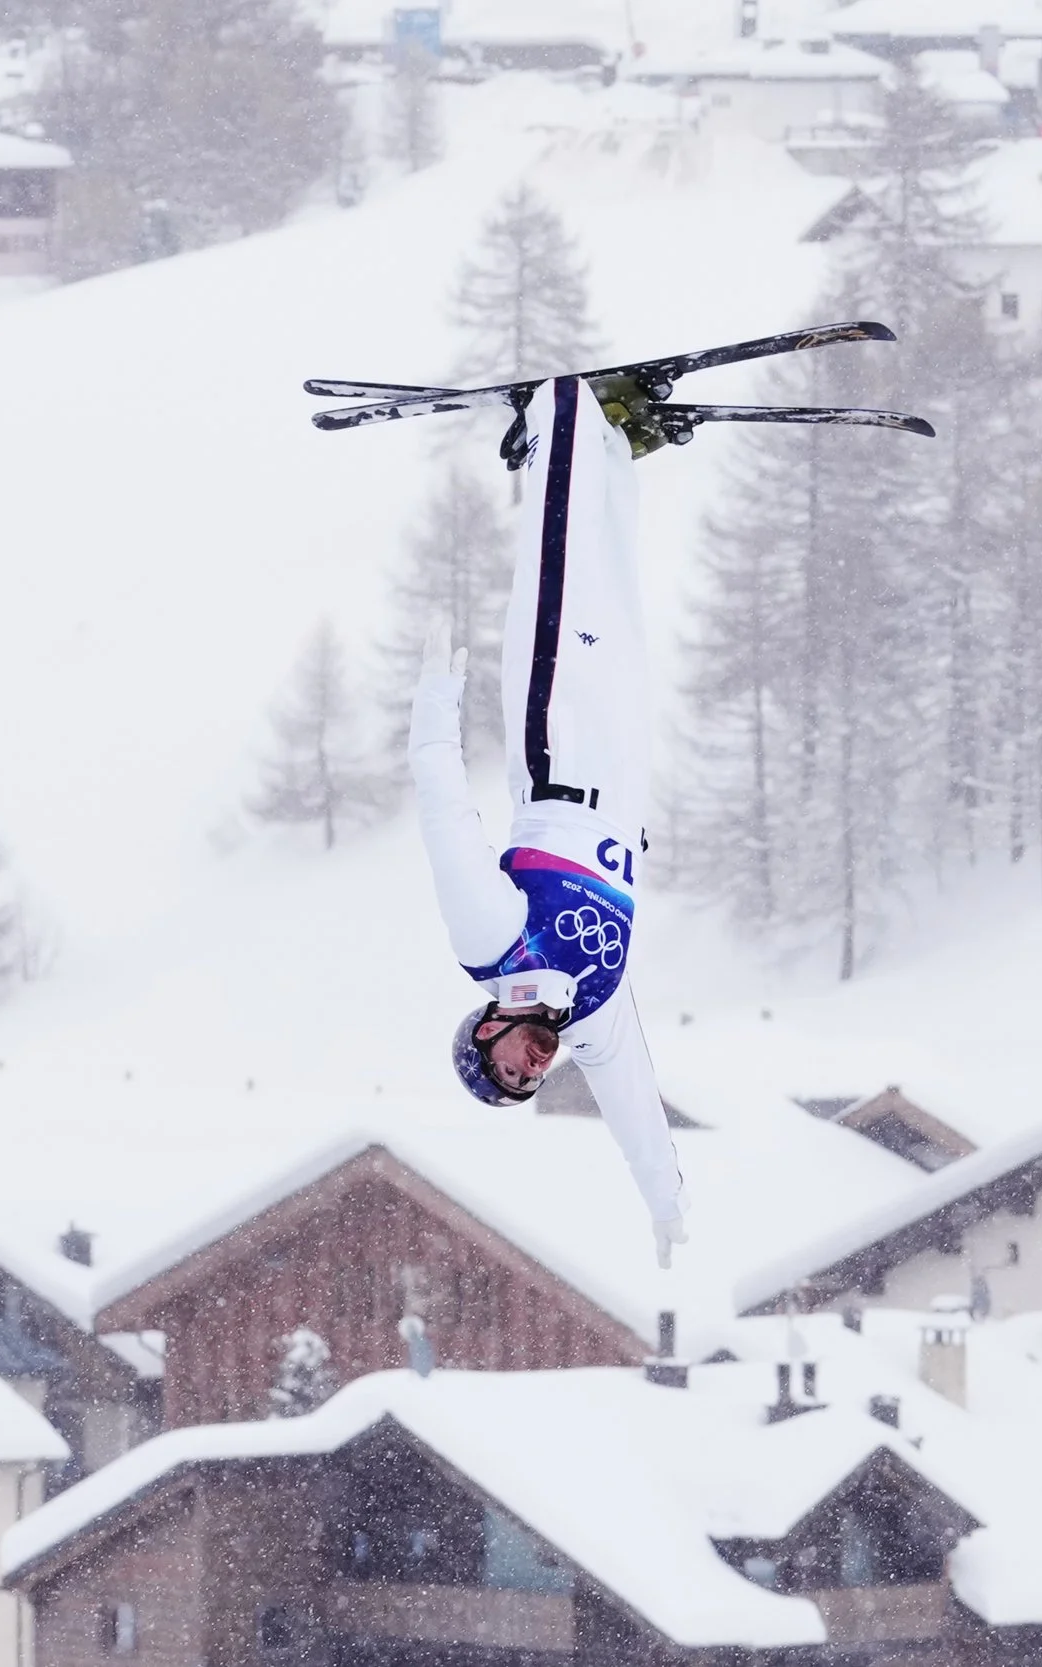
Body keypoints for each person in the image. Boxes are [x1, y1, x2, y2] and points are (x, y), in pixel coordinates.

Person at [409, 376, 688, 1267]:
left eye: (509, 1070)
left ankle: (559, 412)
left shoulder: (491, 945)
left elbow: (445, 812)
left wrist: (434, 702)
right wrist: (665, 1205)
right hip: (629, 772)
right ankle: (612, 442)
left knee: (563, 570)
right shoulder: (594, 1015)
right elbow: (635, 1110)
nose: (532, 1071)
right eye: (529, 1084)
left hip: (560, 750)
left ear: (487, 1031)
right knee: (619, 592)